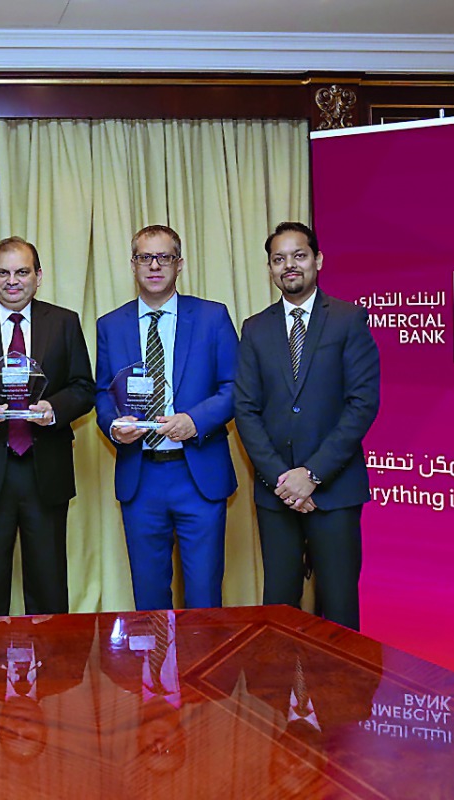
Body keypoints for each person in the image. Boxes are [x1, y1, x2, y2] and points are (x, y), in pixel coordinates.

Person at [234, 221, 380, 631]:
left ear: (317, 260)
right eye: (279, 259)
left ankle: (345, 697)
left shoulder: (348, 320)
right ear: (270, 269)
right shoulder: (255, 328)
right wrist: (284, 479)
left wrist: (311, 475)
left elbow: (362, 404)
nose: (289, 266)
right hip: (276, 493)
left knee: (339, 612)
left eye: (298, 255)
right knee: (278, 611)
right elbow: (245, 409)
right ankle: (278, 697)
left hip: (334, 491)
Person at [0, 236, 95, 616]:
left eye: (22, 272)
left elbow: (83, 388)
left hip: (46, 471)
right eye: (3, 272)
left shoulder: (64, 322)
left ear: (38, 276)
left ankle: (53, 671)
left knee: (49, 588)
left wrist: (53, 409)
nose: (13, 281)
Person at [95, 224, 238, 611]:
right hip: (142, 477)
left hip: (198, 474)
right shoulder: (111, 325)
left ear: (179, 264)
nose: (155, 266)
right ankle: (154, 673)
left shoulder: (212, 317)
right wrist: (112, 426)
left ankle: (202, 672)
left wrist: (195, 420)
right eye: (145, 257)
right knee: (149, 597)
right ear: (133, 265)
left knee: (205, 596)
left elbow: (234, 387)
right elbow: (103, 393)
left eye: (164, 257)